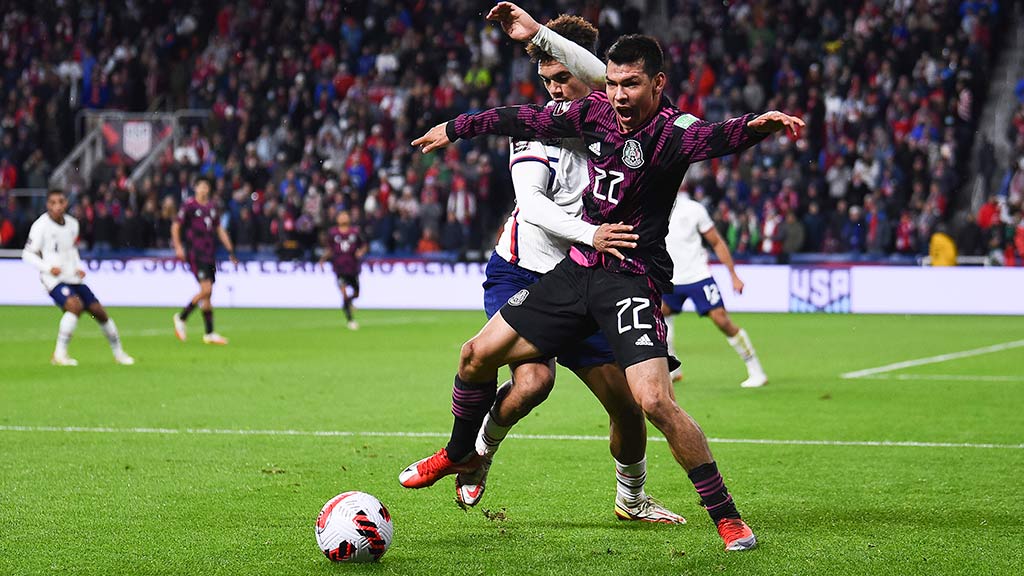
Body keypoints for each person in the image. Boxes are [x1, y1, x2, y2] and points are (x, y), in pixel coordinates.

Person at [402, 2, 803, 551]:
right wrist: (454, 127)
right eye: (611, 83)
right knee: (476, 355)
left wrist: (757, 128)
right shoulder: (590, 113)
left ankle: (725, 516)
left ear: (658, 84)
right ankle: (460, 452)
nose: (617, 94)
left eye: (630, 84)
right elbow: (514, 118)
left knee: (652, 402)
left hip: (628, 278)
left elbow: (714, 137)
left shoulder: (672, 131)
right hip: (573, 268)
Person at [456, 12, 684, 524]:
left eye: (563, 78)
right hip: (526, 272)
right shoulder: (542, 127)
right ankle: (479, 453)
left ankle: (632, 499)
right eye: (546, 81)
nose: (555, 91)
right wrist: (593, 234)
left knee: (628, 404)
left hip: (589, 278)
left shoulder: (626, 120)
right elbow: (532, 204)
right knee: (534, 383)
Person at [661, 189, 768, 388]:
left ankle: (756, 370)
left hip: (697, 276)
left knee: (721, 319)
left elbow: (717, 242)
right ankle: (673, 370)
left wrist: (733, 275)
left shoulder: (693, 209)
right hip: (670, 279)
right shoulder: (652, 208)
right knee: (658, 318)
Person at [22, 189, 135, 366]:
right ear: (47, 205)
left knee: (98, 312)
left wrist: (79, 266)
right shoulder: (40, 225)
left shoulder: (73, 224)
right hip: (53, 279)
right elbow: (27, 255)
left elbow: (71, 250)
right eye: (53, 203)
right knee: (74, 306)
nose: (57, 206)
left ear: (66, 203)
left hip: (72, 276)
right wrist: (49, 268)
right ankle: (59, 355)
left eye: (60, 202)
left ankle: (119, 353)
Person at [171, 177, 237, 344]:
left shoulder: (212, 207)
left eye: (206, 186)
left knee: (209, 294)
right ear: (196, 188)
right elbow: (176, 226)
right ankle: (181, 317)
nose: (203, 189)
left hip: (209, 253)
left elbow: (219, 229)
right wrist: (178, 247)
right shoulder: (189, 206)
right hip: (196, 253)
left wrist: (230, 249)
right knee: (206, 290)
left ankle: (209, 333)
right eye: (201, 186)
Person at [318, 210, 368, 330]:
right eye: (341, 216)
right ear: (337, 219)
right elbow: (330, 249)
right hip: (339, 267)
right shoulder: (333, 233)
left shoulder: (355, 232)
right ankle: (350, 320)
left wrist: (361, 252)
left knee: (356, 293)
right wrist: (323, 260)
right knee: (344, 292)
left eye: (345, 215)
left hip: (352, 267)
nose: (343, 218)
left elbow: (365, 245)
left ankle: (349, 302)